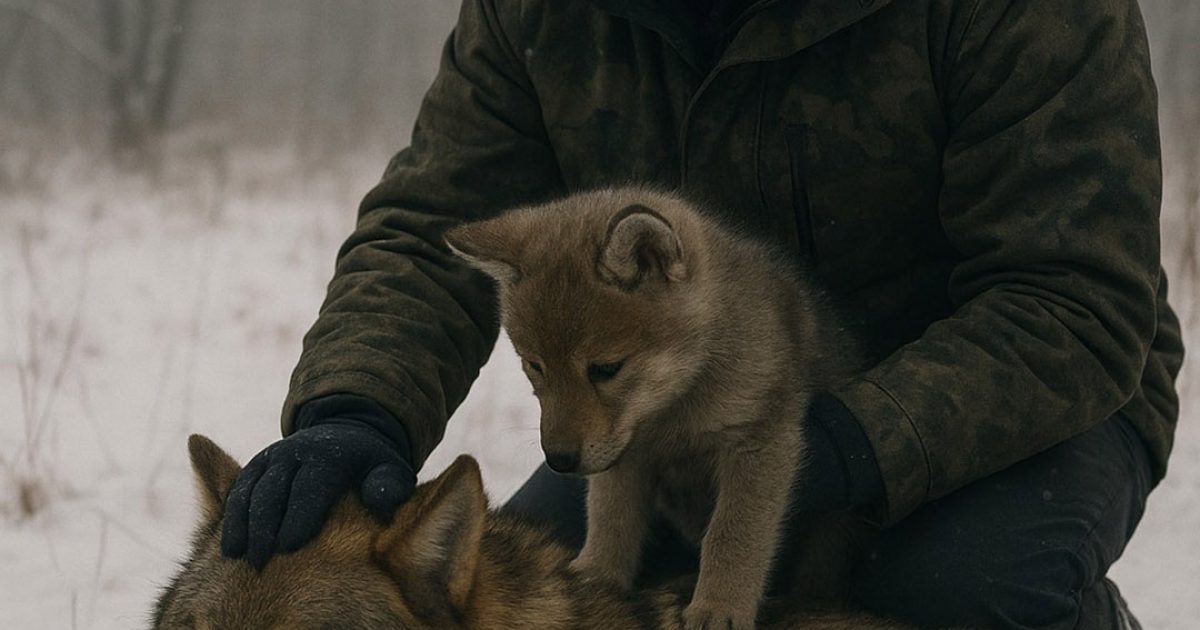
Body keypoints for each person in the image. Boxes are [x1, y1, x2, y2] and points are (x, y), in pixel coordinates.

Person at [218, 1, 1183, 628]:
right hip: (670, 419)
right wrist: (355, 409)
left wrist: (835, 447)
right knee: (541, 597)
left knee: (933, 593)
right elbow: (434, 224)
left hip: (1029, 408)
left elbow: (1074, 302)